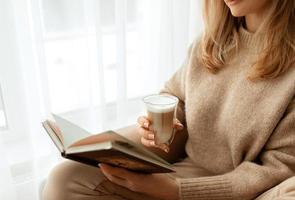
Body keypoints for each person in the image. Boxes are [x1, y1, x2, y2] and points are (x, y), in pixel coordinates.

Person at [43, 0, 295, 199]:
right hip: (179, 174)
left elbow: (278, 170)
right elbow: (176, 96)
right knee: (65, 179)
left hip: (248, 192)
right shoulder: (212, 41)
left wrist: (174, 190)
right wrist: (159, 123)